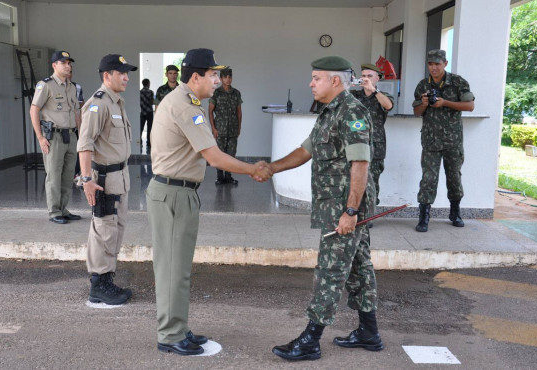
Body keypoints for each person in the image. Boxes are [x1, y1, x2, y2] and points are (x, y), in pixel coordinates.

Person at [147, 48, 271, 356]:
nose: (217, 81)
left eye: (218, 75)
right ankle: (171, 334)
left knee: (177, 268)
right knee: (174, 269)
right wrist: (253, 169)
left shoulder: (186, 101)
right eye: (212, 75)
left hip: (176, 192)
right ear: (195, 77)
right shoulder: (187, 105)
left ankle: (177, 327)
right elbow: (214, 157)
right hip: (174, 194)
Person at [266, 56, 383, 361]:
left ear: (335, 81)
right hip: (337, 205)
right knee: (359, 267)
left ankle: (310, 339)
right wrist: (270, 168)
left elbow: (361, 163)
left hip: (345, 207)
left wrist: (351, 211)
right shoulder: (330, 112)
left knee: (330, 271)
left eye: (316, 77)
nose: (311, 83)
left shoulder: (352, 111)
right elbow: (306, 150)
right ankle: (369, 333)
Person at [77, 54, 137, 305]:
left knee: (115, 228)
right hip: (103, 178)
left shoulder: (117, 102)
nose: (126, 77)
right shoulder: (98, 104)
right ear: (106, 76)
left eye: (127, 73)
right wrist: (87, 179)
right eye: (120, 73)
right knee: (103, 229)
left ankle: (107, 278)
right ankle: (98, 284)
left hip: (120, 175)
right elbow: (85, 144)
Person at [413, 49, 475, 232]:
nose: (433, 68)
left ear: (445, 64)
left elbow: (470, 105)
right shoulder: (423, 85)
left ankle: (455, 213)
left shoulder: (458, 82)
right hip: (430, 141)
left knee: (454, 178)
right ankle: (424, 217)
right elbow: (417, 112)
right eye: (430, 64)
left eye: (437, 64)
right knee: (428, 180)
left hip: (452, 141)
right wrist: (424, 104)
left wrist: (445, 102)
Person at [30, 50, 81, 224]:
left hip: (71, 135)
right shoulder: (45, 85)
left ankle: (63, 209)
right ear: (54, 65)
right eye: (64, 62)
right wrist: (40, 137)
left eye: (69, 62)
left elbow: (76, 112)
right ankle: (54, 212)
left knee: (68, 175)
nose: (68, 66)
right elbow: (34, 110)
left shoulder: (72, 87)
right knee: (53, 175)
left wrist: (80, 135)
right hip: (54, 136)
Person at [351, 64, 394, 216]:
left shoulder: (383, 95)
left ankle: (369, 214)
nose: (366, 79)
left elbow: (388, 106)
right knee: (355, 179)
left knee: (372, 180)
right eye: (363, 76)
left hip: (376, 145)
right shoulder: (354, 95)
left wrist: (373, 90)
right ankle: (354, 211)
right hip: (356, 144)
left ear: (378, 78)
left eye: (369, 76)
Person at [209, 68, 243, 185]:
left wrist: (239, 127)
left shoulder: (236, 93)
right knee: (219, 154)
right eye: (225, 77)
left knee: (231, 154)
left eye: (230, 77)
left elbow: (239, 112)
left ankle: (228, 176)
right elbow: (210, 111)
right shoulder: (216, 93)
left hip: (233, 129)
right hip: (220, 130)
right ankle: (220, 177)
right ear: (221, 78)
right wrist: (213, 128)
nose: (228, 79)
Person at [69, 70, 84, 182]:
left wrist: (81, 124)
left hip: (75, 125)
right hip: (62, 126)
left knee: (79, 149)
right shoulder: (52, 87)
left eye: (71, 72)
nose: (69, 74)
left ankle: (76, 173)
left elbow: (81, 106)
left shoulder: (77, 87)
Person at [140, 78, 154, 150]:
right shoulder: (151, 92)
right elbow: (152, 102)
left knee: (141, 128)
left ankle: (140, 142)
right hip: (149, 112)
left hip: (142, 112)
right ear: (148, 84)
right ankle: (149, 143)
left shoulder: (139, 92)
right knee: (150, 128)